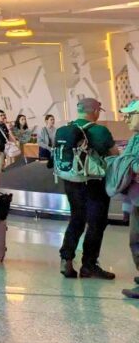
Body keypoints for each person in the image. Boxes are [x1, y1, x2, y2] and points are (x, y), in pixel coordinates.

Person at [58, 98, 119, 280]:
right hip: (94, 183)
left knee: (76, 218)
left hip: (71, 180)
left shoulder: (65, 129)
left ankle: (66, 259)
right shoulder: (100, 131)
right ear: (95, 111)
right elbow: (114, 154)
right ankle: (89, 265)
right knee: (96, 223)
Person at [114, 101, 139, 299]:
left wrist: (129, 162)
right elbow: (126, 164)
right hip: (135, 199)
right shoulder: (135, 138)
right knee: (135, 240)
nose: (127, 118)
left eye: (132, 114)